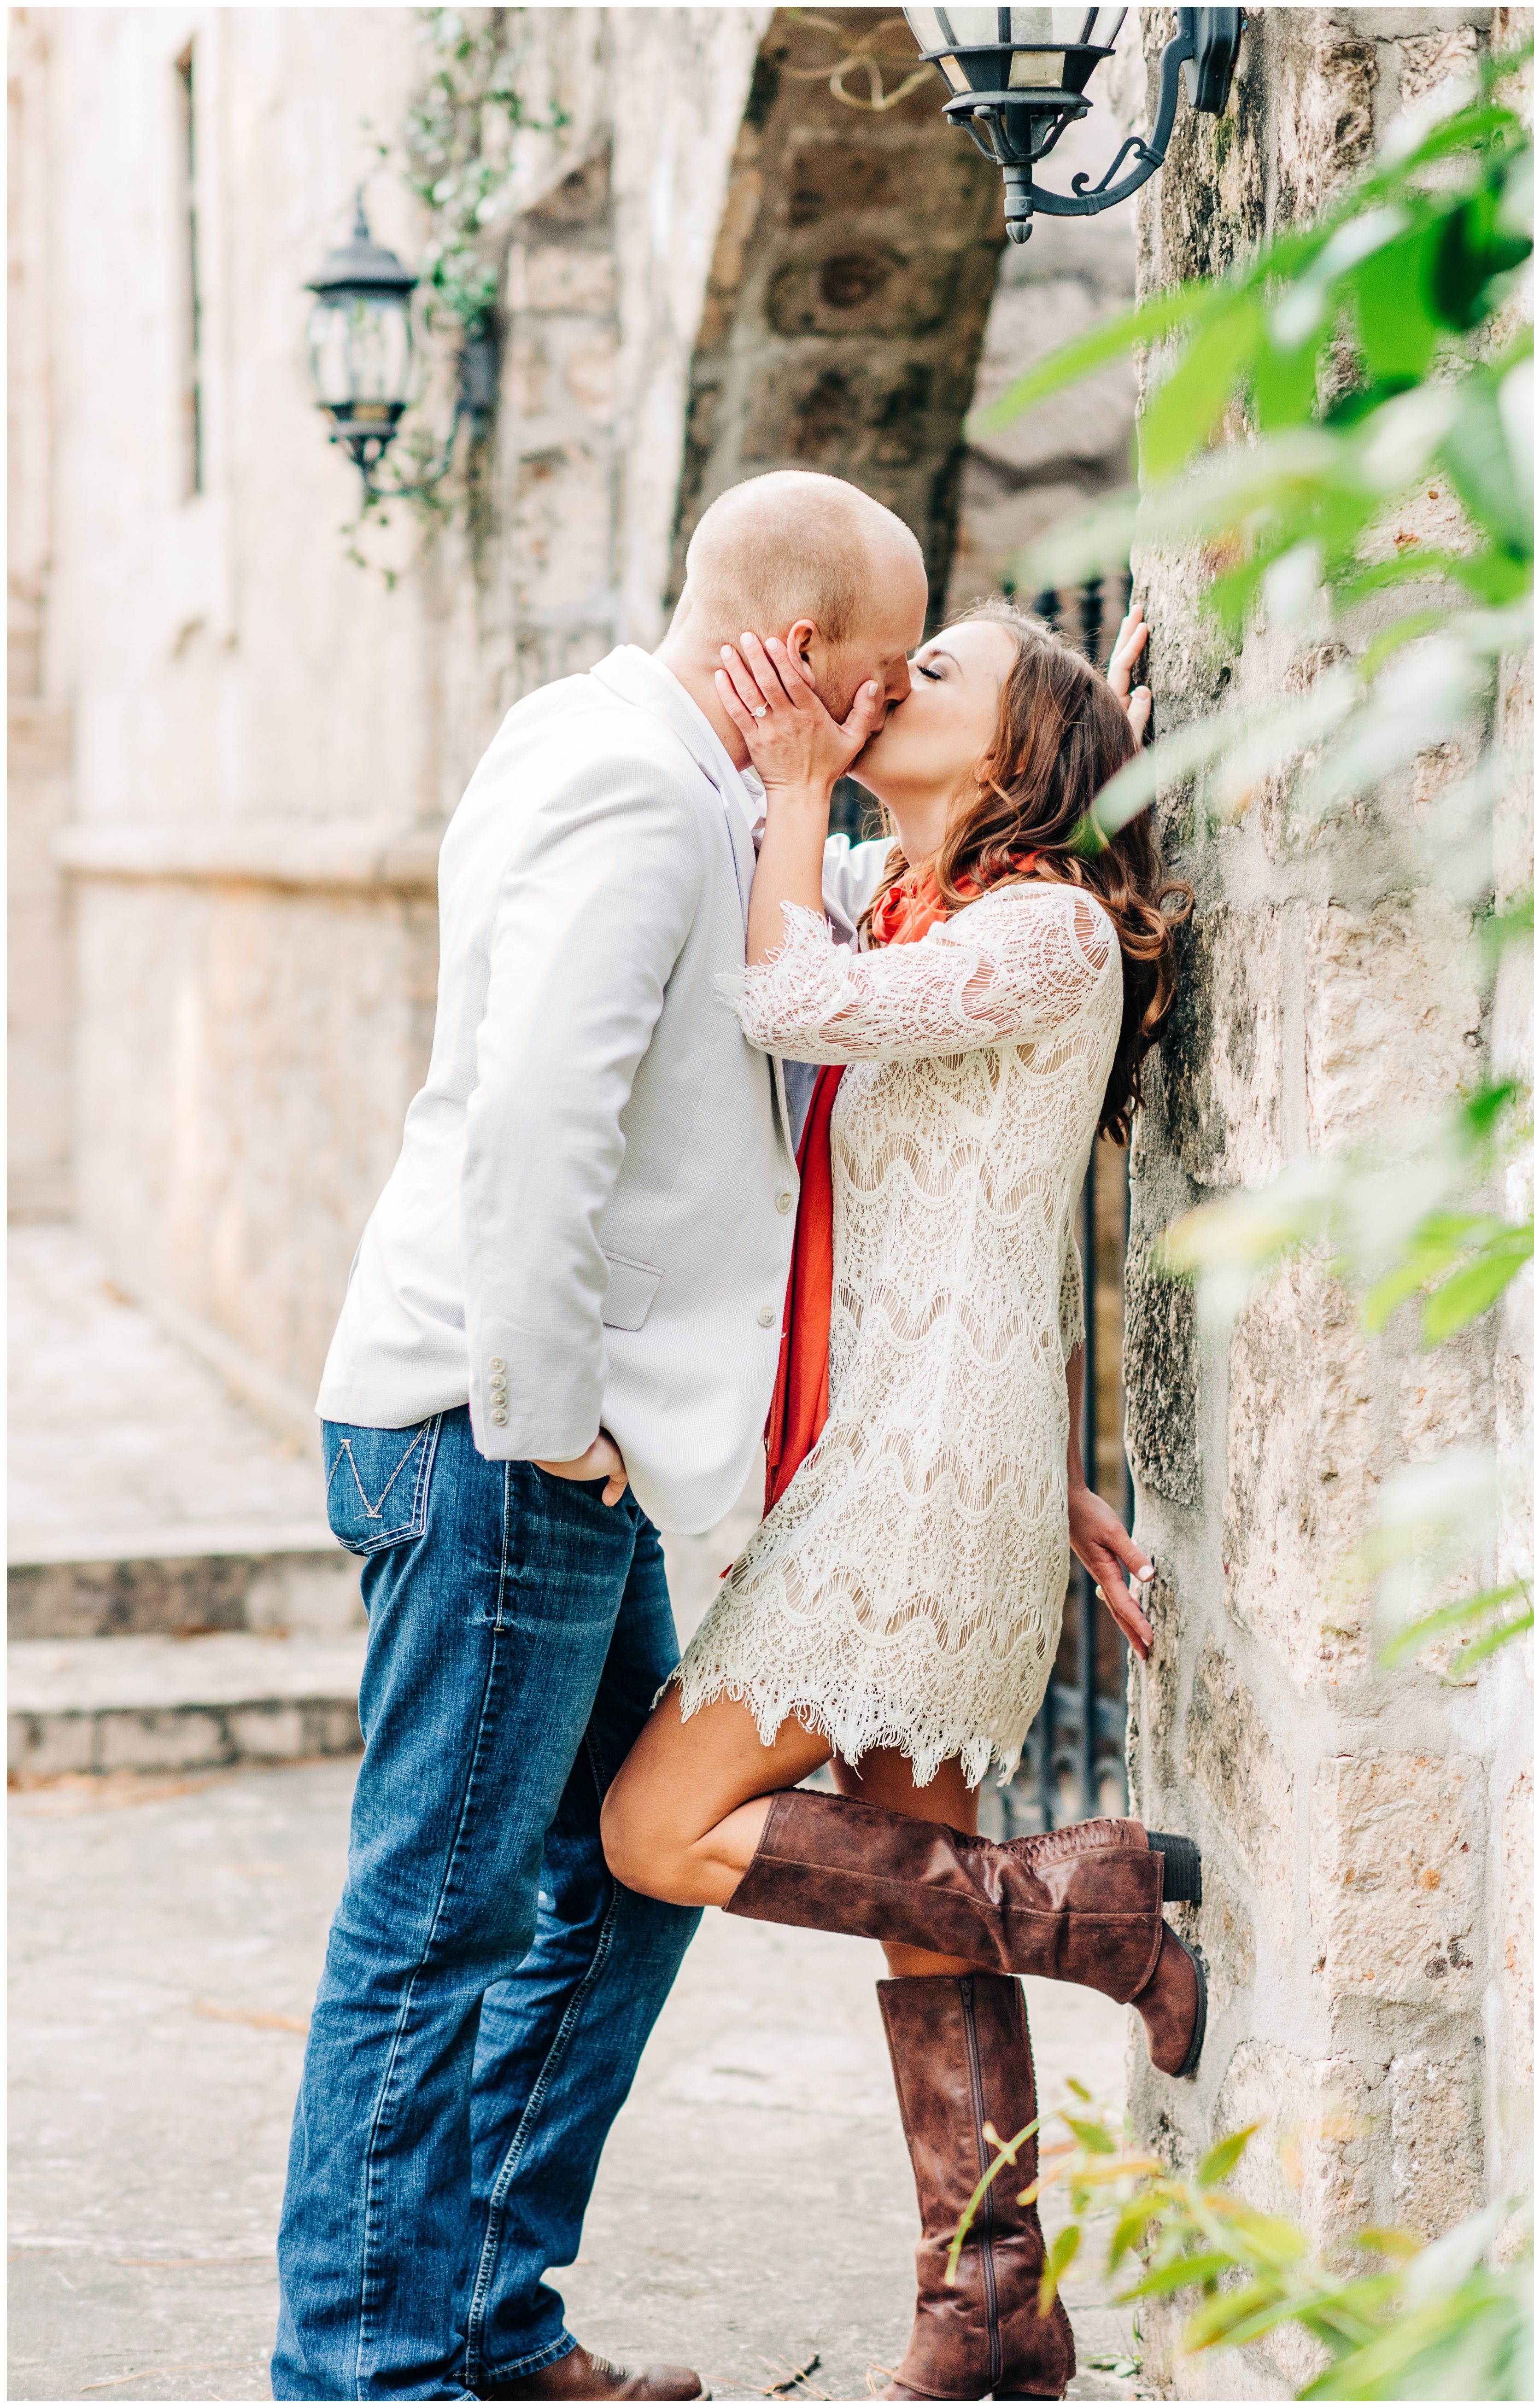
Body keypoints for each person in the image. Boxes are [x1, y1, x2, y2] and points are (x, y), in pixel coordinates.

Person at [272, 470, 931, 2403]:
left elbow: (783, 1004)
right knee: (438, 1918)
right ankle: (366, 2369)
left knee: (622, 1877)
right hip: (505, 1444)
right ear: (794, 655)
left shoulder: (686, 776)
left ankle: (482, 2306)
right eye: (876, 682)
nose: (883, 719)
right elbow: (536, 1126)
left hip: (559, 1452)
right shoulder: (631, 786)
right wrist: (549, 1428)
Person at [600, 597, 1196, 2404]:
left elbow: (784, 995)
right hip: (928, 1458)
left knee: (654, 1824)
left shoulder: (1041, 929)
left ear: (1015, 750)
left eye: (938, 670)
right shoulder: (920, 898)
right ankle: (989, 2304)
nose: (887, 682)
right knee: (918, 1886)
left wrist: (791, 779)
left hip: (909, 1478)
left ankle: (1074, 1903)